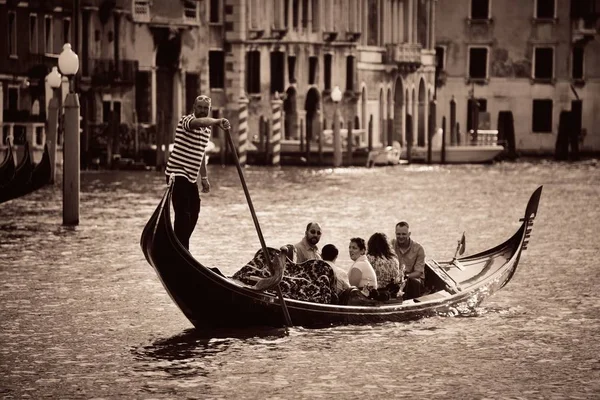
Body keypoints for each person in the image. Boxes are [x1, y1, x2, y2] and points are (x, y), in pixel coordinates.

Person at [165, 95, 230, 250]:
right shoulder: (186, 121)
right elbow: (199, 122)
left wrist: (204, 177)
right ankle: (182, 249)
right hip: (176, 172)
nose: (202, 111)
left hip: (191, 177)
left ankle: (179, 244)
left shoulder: (207, 130)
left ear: (209, 109)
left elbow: (200, 153)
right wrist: (217, 121)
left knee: (195, 210)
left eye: (205, 108)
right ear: (194, 107)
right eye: (199, 107)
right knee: (183, 213)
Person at [392, 221, 426, 299]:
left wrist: (404, 277)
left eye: (404, 234)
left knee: (412, 282)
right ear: (395, 233)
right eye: (398, 234)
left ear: (409, 234)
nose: (401, 236)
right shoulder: (391, 245)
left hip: (413, 280)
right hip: (396, 279)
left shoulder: (418, 248)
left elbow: (418, 272)